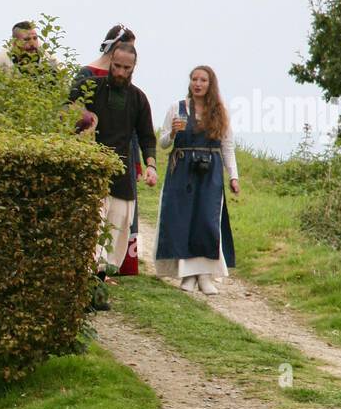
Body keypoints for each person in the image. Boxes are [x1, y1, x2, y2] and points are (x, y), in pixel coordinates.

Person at [68, 37, 157, 273]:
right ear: (111, 62)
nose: (120, 72)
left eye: (126, 68)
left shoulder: (139, 98)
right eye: (116, 66)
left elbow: (147, 136)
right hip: (93, 170)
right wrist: (81, 117)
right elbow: (66, 105)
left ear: (133, 68)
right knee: (92, 231)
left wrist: (151, 166)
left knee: (116, 232)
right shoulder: (91, 87)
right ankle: (87, 284)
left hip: (121, 172)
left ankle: (100, 283)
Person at [154, 66, 239, 295]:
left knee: (207, 220)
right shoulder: (177, 108)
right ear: (190, 82)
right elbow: (162, 143)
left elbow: (227, 146)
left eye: (203, 80)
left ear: (211, 84)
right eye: (194, 79)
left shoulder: (220, 111)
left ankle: (205, 275)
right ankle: (188, 275)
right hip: (182, 168)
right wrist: (171, 133)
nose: (198, 84)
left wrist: (233, 176)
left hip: (210, 169)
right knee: (184, 219)